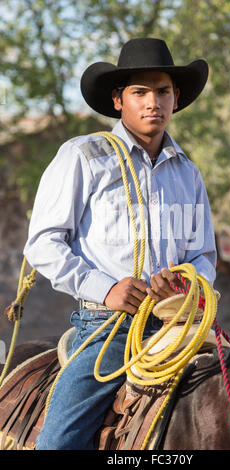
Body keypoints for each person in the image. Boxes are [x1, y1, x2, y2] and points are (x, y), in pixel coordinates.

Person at [24, 37, 217, 450]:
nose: (153, 102)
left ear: (176, 98)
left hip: (175, 325)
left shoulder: (188, 173)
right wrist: (106, 288)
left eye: (163, 91)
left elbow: (202, 254)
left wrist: (186, 283)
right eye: (140, 92)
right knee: (60, 442)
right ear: (118, 100)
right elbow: (43, 243)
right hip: (108, 330)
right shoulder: (83, 156)